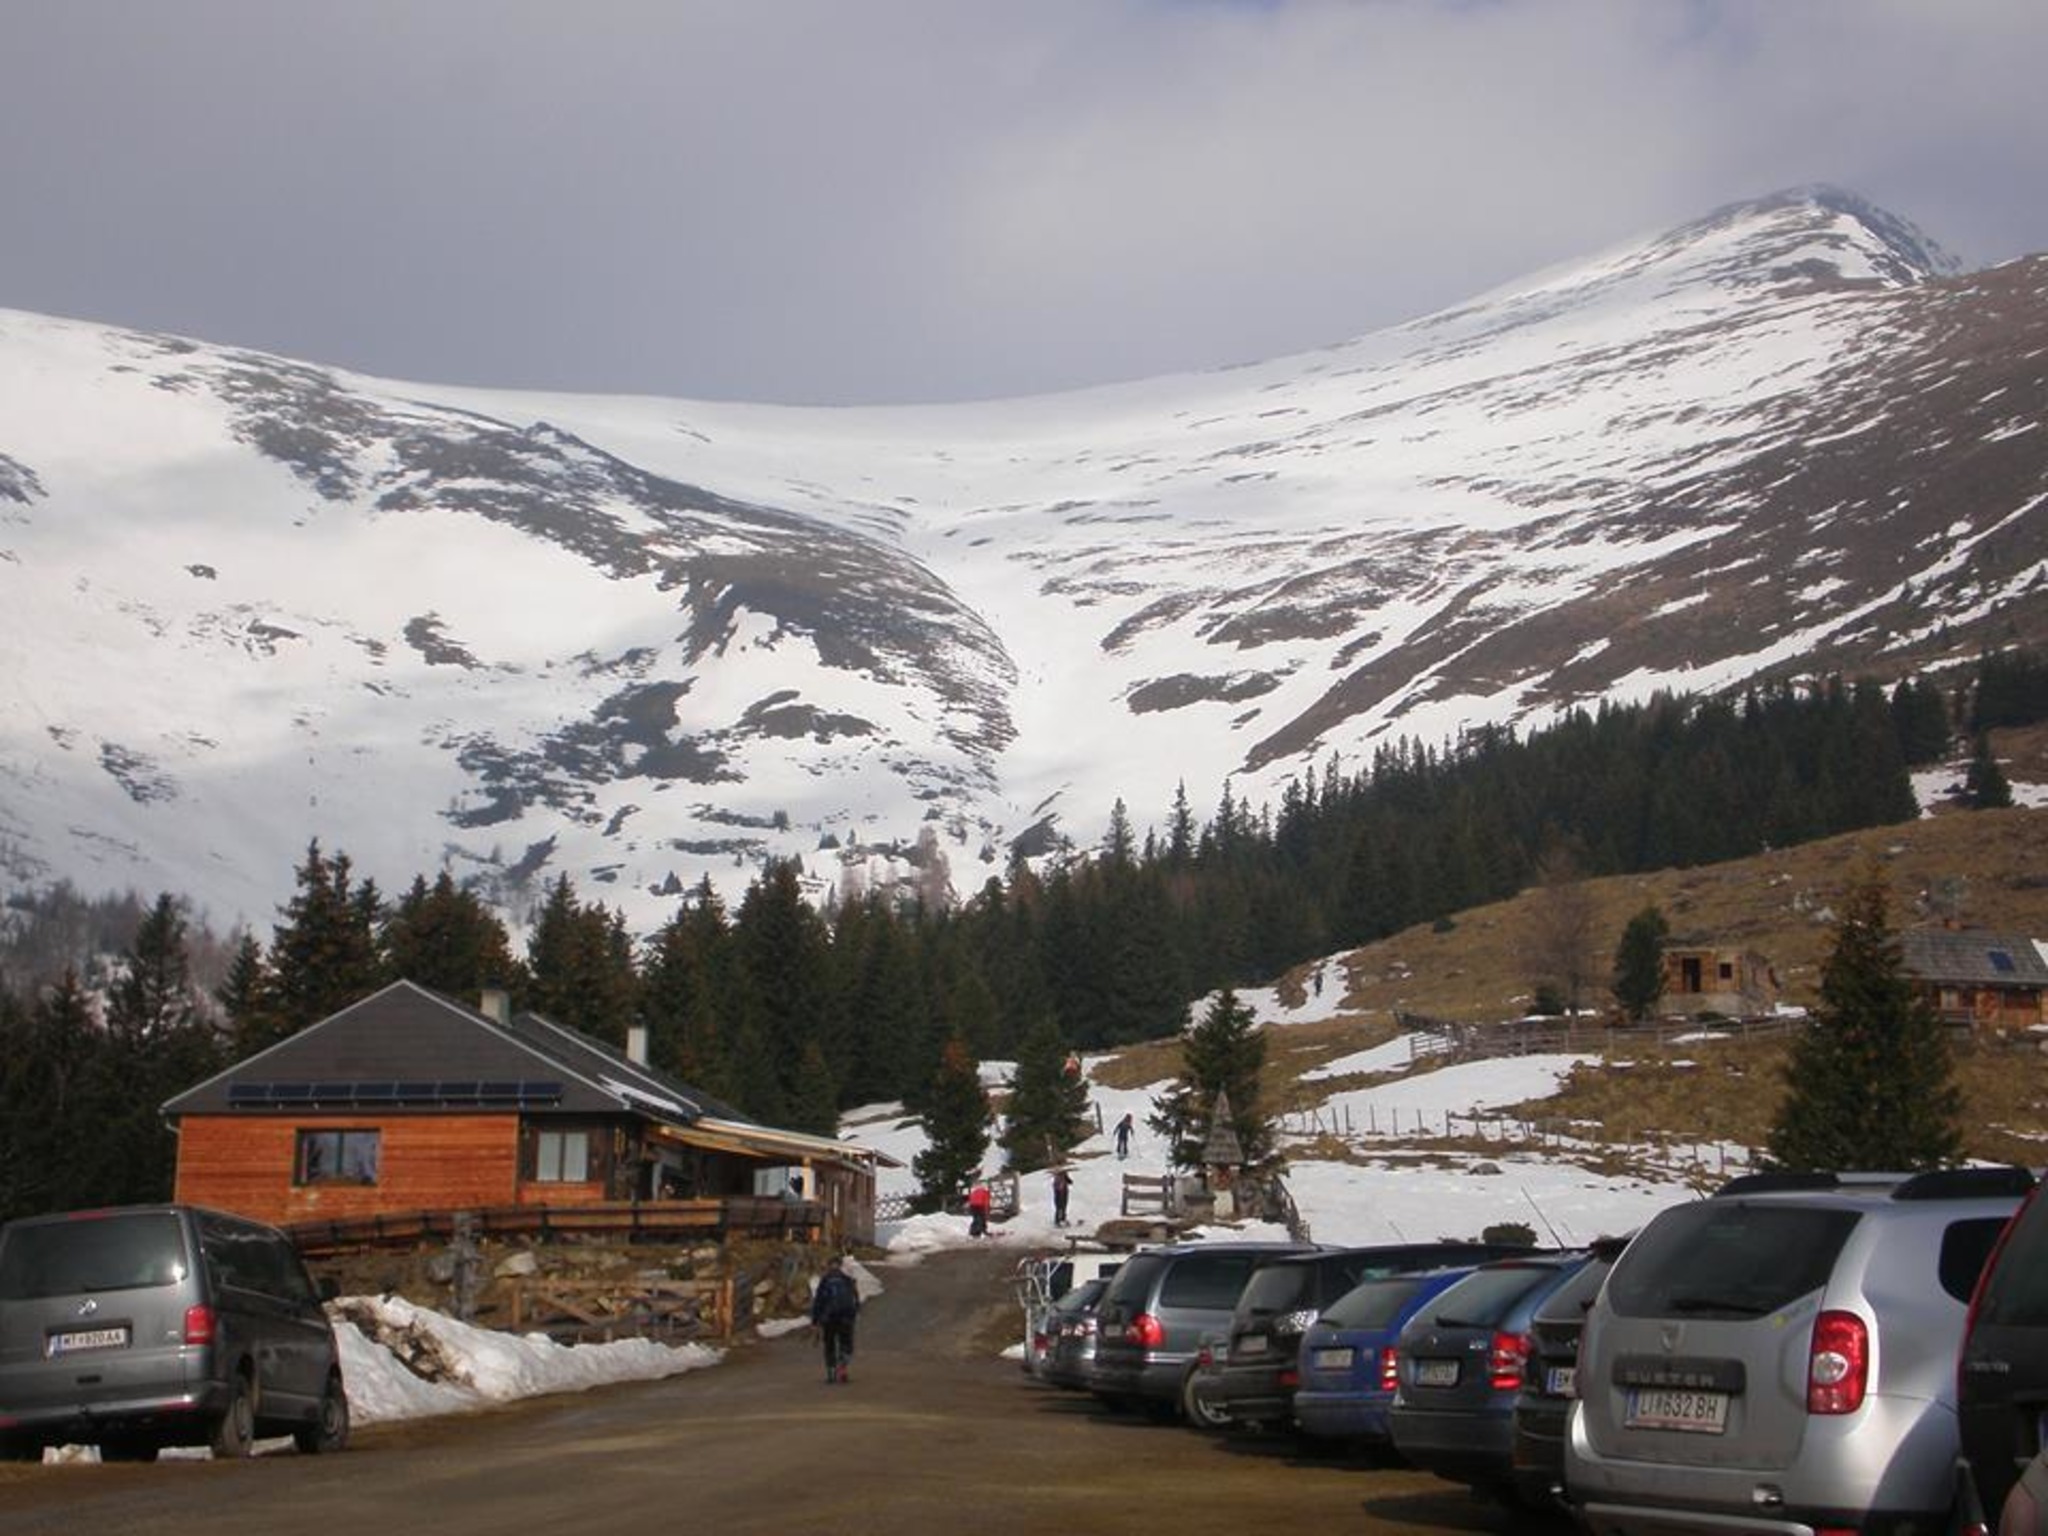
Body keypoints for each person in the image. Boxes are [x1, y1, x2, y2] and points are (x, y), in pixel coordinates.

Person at [810, 1255, 860, 1384]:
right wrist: (853, 1315)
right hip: (845, 1318)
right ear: (840, 1265)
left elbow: (818, 1301)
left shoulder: (825, 1280)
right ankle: (842, 1368)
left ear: (829, 1265)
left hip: (829, 1319)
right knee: (846, 1345)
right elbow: (855, 1300)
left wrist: (815, 1321)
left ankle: (831, 1372)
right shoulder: (847, 1280)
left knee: (829, 1345)